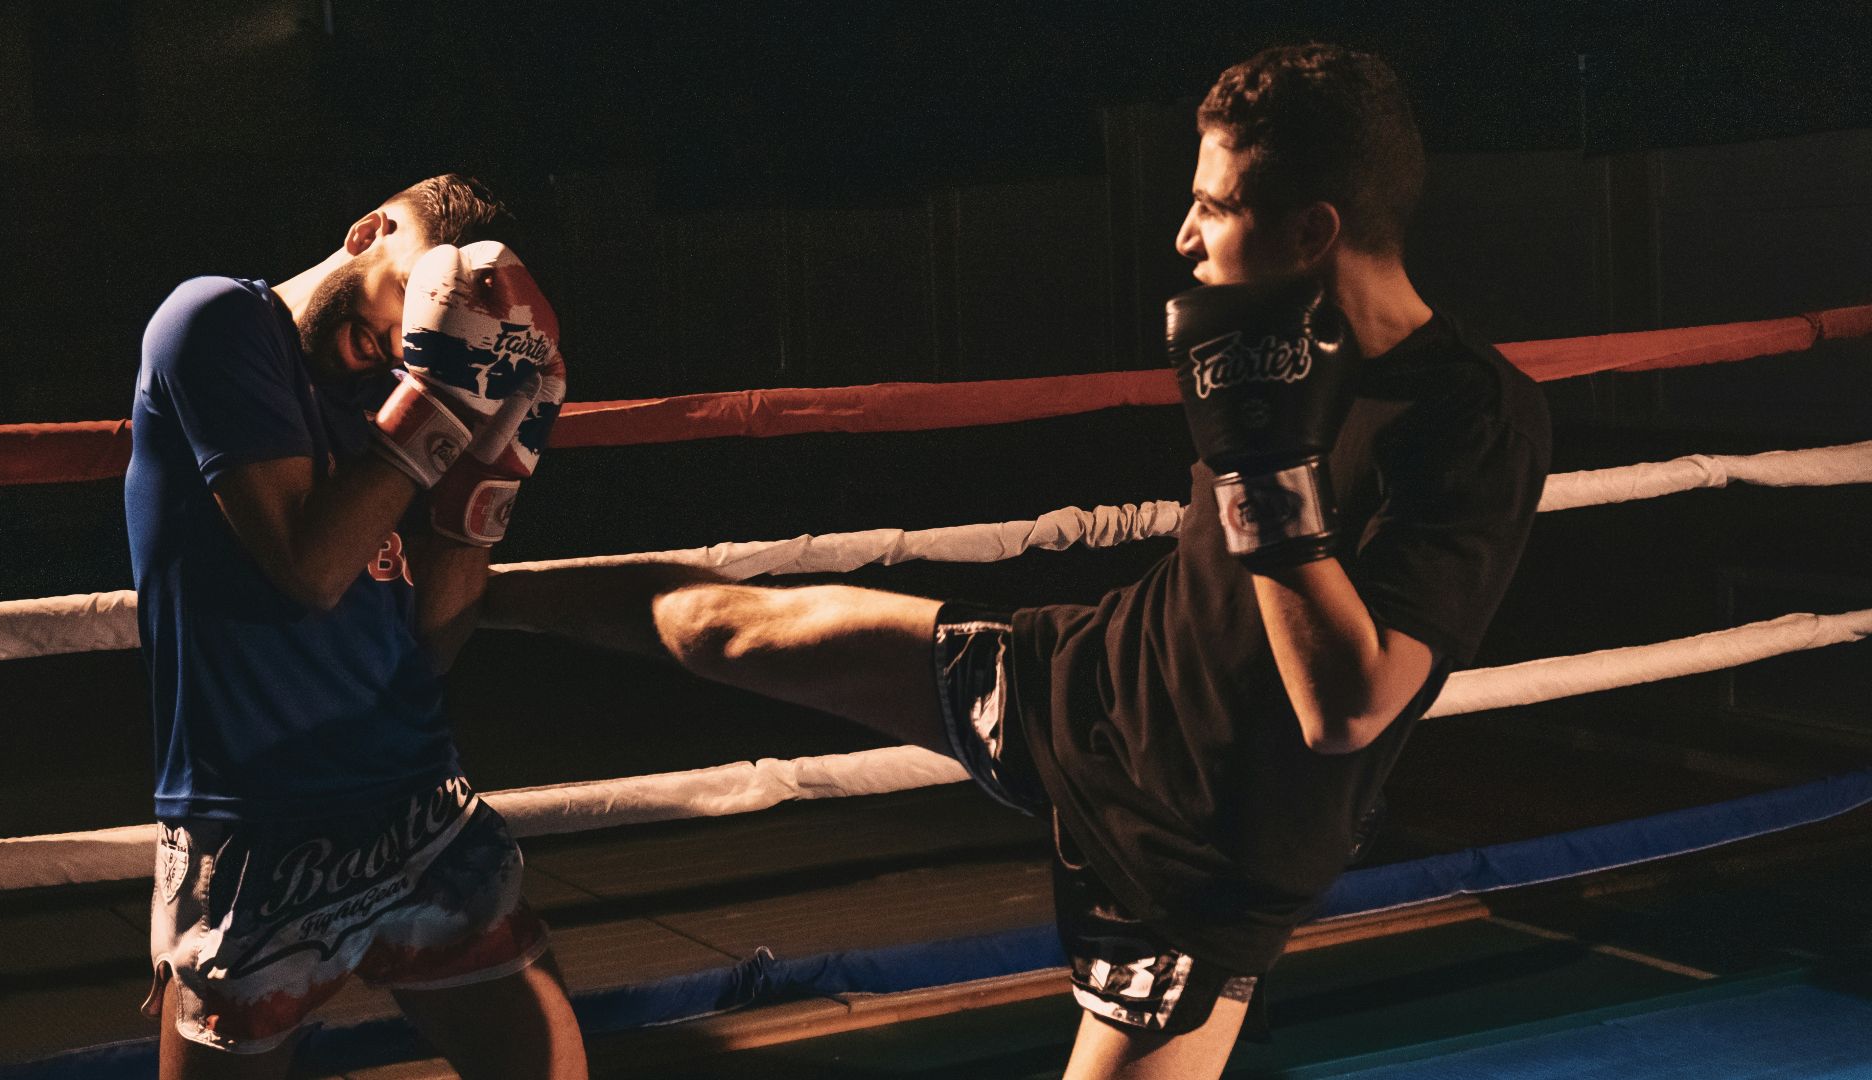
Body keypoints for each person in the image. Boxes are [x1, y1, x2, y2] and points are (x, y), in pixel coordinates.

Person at [487, 43, 1551, 1079]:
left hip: (1196, 857)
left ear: (1315, 228)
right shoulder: (1277, 348)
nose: (1184, 236)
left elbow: (1349, 706)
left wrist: (1257, 468)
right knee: (737, 626)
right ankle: (463, 598)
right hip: (1083, 683)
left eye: (1215, 206)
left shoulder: (1470, 419)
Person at [124, 174, 585, 1080]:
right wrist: (442, 403)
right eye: (416, 300)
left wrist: (486, 481)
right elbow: (308, 567)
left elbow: (436, 645)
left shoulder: (397, 395)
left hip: (416, 799)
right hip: (253, 824)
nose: (410, 336)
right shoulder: (218, 323)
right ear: (368, 232)